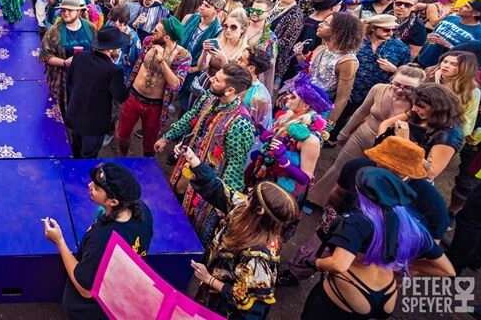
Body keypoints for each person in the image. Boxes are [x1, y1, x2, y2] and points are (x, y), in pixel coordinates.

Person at [301, 168, 455, 320]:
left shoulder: (357, 221)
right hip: (387, 295)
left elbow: (339, 265)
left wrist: (317, 263)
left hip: (354, 289)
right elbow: (448, 271)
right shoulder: (411, 225)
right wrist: (404, 264)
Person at [179, 143, 298, 320]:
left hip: (223, 309)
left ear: (260, 211)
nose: (247, 192)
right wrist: (194, 160)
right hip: (211, 289)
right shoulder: (245, 210)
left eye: (251, 197)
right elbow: (219, 190)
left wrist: (209, 279)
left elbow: (249, 306)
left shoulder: (259, 257)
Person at [157, 63, 255, 243]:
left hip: (208, 181)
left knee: (193, 223)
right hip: (188, 163)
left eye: (217, 80)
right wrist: (168, 137)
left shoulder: (241, 123)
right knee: (175, 193)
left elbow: (235, 167)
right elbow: (190, 117)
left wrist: (223, 202)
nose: (210, 79)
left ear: (230, 90)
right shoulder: (210, 97)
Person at [43, 162, 153, 320]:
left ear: (113, 202)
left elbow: (86, 290)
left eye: (96, 187)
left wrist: (59, 241)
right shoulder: (142, 210)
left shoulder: (102, 239)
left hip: (95, 310)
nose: (89, 185)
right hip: (126, 292)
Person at [309, 66, 426, 208]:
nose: (400, 90)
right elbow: (361, 112)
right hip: (362, 136)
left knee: (368, 179)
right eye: (396, 84)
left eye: (408, 88)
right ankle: (316, 200)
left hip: (387, 149)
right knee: (340, 167)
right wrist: (344, 132)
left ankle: (344, 210)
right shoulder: (378, 89)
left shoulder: (418, 105)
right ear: (391, 79)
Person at [116, 17, 191, 157]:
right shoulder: (149, 42)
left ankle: (147, 166)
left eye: (156, 31)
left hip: (155, 106)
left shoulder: (183, 56)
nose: (152, 32)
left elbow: (176, 85)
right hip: (133, 96)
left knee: (150, 144)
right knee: (122, 134)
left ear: (167, 37)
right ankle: (123, 157)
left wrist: (162, 61)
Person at [247, 73, 329, 200]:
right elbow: (276, 141)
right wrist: (262, 131)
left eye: (293, 96)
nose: (288, 97)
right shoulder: (287, 117)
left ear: (306, 106)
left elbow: (305, 178)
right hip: (264, 176)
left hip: (281, 193)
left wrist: (284, 161)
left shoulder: (310, 139)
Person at [65, 26, 130, 158]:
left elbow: (70, 81)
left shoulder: (79, 57)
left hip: (75, 114)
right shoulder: (113, 71)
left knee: (76, 148)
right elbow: (122, 96)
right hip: (94, 125)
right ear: (111, 48)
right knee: (88, 156)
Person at [41, 0, 97, 115]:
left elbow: (97, 50)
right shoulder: (54, 32)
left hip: (86, 78)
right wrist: (64, 63)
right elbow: (45, 56)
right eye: (63, 10)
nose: (66, 13)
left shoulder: (90, 28)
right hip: (63, 80)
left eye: (70, 10)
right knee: (63, 110)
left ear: (79, 12)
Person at [418, 0, 481, 67]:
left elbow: (468, 57)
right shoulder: (450, 18)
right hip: (421, 57)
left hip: (441, 68)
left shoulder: (479, 33)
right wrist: (428, 37)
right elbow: (433, 33)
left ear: (476, 14)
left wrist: (447, 44)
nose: (461, 7)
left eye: (466, 6)